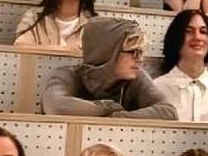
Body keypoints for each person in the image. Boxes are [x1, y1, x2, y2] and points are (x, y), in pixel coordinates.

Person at [41, 17, 177, 119]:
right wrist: (109, 107)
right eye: (132, 52)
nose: (140, 59)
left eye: (140, 52)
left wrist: (119, 117)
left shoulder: (135, 77)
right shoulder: (66, 75)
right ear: (107, 52)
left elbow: (168, 111)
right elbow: (57, 107)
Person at [153, 10, 208, 124]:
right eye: (188, 31)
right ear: (175, 38)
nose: (197, 37)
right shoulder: (156, 90)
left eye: (203, 31)